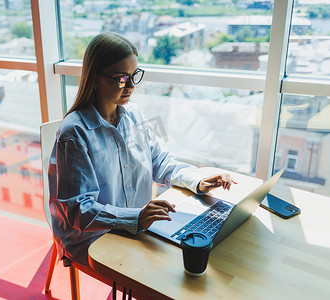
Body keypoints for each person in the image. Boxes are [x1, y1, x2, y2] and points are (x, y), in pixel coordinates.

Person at [48, 32, 235, 267]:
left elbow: (160, 161)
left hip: (137, 223)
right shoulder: (74, 134)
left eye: (134, 75)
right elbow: (77, 211)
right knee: (169, 267)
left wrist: (198, 180)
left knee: (191, 252)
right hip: (92, 237)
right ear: (94, 78)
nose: (132, 86)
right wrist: (135, 217)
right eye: (122, 78)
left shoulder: (134, 114)